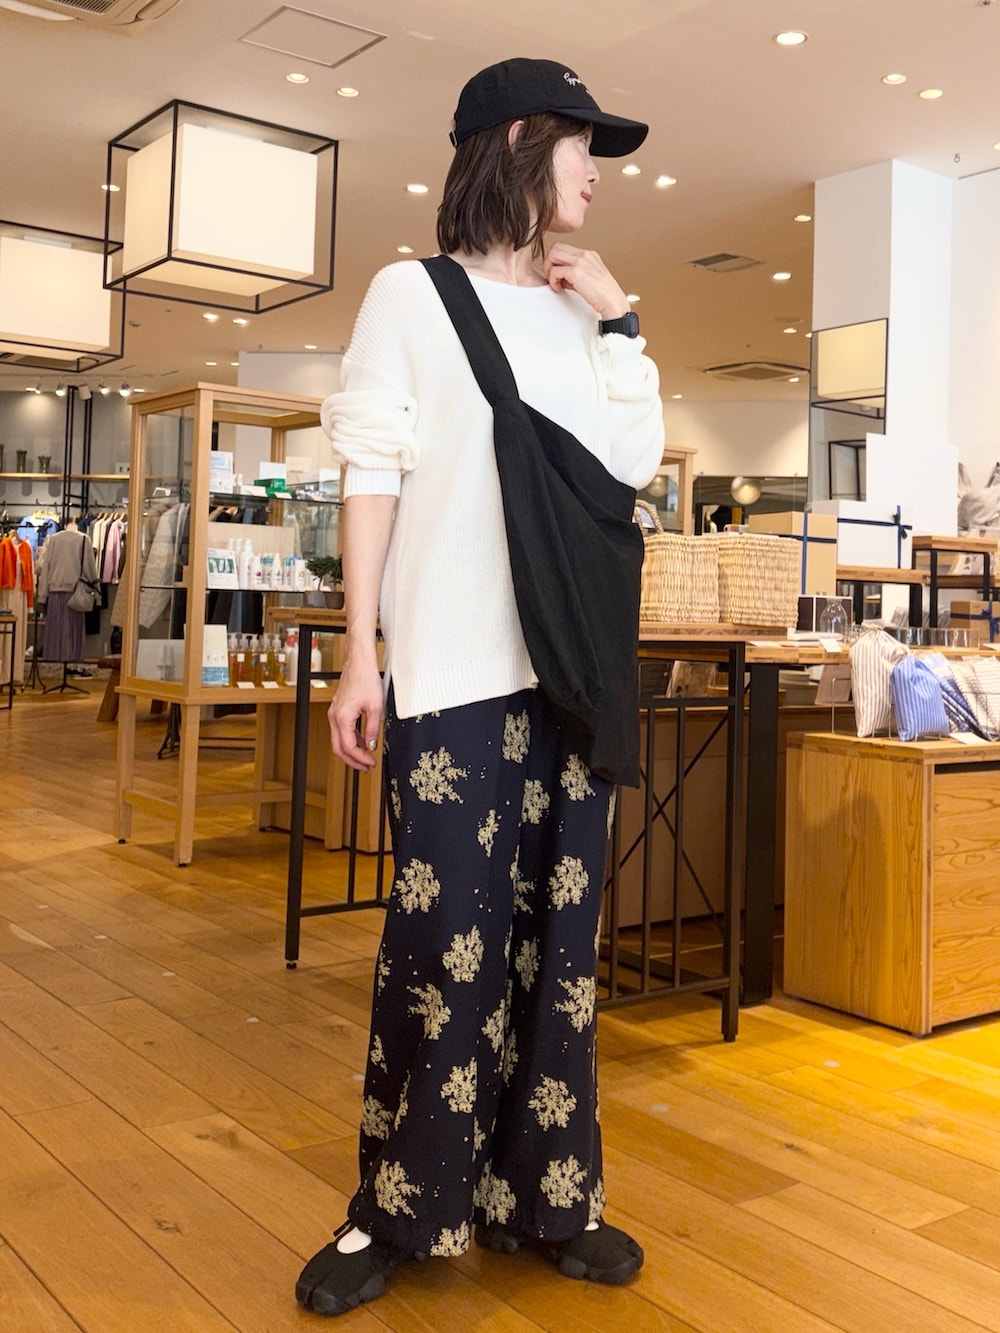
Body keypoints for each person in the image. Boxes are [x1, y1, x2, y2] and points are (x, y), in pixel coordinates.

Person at [295, 56, 665, 1317]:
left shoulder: (579, 311)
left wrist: (618, 319)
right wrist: (362, 653)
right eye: (580, 145)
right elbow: (372, 471)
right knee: (444, 943)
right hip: (451, 673)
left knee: (560, 951)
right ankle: (395, 1208)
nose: (594, 173)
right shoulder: (411, 294)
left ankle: (552, 1195)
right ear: (515, 141)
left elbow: (628, 468)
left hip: (572, 678)